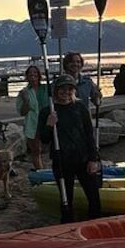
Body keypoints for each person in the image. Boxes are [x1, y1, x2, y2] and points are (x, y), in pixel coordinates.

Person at [38, 74, 102, 223]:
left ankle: (95, 224)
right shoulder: (48, 111)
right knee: (66, 199)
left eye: (69, 89)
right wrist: (49, 124)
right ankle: (68, 224)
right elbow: (44, 139)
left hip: (83, 159)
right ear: (56, 91)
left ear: (74, 90)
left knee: (94, 197)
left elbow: (89, 134)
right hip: (62, 161)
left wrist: (93, 159)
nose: (66, 92)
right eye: (62, 89)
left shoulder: (80, 107)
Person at [15, 65, 48, 170]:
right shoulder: (24, 92)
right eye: (30, 73)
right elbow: (22, 112)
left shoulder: (46, 88)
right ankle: (40, 170)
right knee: (36, 150)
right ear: (27, 77)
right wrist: (26, 101)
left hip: (46, 122)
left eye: (35, 73)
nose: (33, 75)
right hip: (32, 124)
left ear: (39, 75)